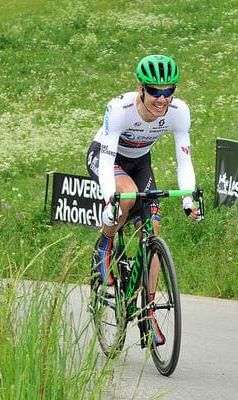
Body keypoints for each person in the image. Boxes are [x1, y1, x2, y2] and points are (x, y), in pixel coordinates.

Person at [85, 54, 200, 344]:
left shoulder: (179, 112)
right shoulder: (119, 109)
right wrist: (110, 199)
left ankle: (147, 314)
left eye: (168, 91)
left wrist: (188, 200)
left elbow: (183, 160)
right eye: (154, 92)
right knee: (125, 197)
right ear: (141, 87)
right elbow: (109, 154)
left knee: (154, 231)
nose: (162, 99)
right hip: (107, 157)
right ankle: (105, 244)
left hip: (140, 162)